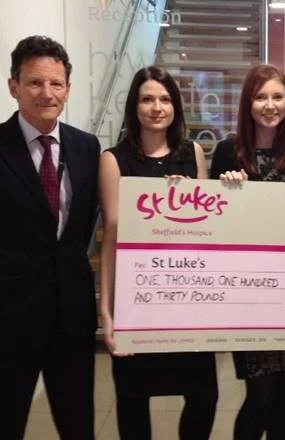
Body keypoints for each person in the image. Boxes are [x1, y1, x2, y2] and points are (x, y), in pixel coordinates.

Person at [98, 66, 217, 440]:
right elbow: (113, 237)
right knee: (133, 401)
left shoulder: (193, 153)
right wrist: (106, 311)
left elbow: (209, 230)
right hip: (139, 302)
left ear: (175, 107)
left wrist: (187, 204)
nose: (156, 107)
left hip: (186, 300)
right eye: (147, 99)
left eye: (165, 99)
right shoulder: (114, 160)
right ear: (134, 106)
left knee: (204, 397)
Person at [210, 64, 285, 440]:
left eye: (278, 96)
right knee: (259, 392)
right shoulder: (228, 152)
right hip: (248, 292)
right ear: (248, 103)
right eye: (261, 97)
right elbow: (214, 225)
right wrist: (226, 191)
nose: (270, 105)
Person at [0, 35, 100, 439]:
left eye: (56, 84)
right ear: (14, 87)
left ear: (68, 89)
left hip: (72, 317)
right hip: (9, 319)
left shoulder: (87, 147)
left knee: (79, 426)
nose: (47, 93)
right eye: (35, 83)